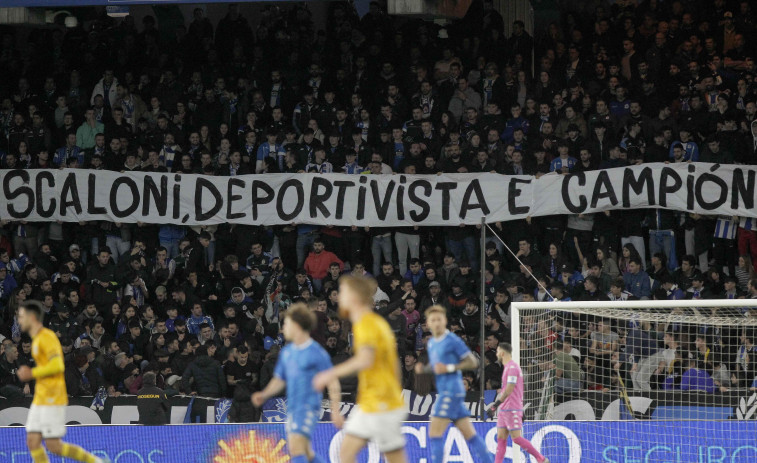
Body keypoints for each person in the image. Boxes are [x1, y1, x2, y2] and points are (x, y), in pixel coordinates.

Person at [312, 275, 407, 463]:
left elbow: (365, 359)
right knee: (349, 454)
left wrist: (330, 373)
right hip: (379, 401)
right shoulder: (371, 322)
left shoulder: (366, 322)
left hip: (380, 403)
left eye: (344, 292)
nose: (340, 297)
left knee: (348, 454)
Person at [15, 300, 108, 463]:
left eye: (22, 317)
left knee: (53, 445)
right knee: (34, 441)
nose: (19, 320)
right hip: (43, 396)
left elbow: (57, 365)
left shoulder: (47, 338)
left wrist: (32, 372)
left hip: (52, 397)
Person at [252, 303, 342, 463]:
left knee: (296, 449)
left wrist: (335, 409)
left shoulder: (316, 352)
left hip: (308, 406)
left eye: (286, 324)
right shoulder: (287, 352)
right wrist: (264, 394)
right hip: (293, 406)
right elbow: (280, 379)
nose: (283, 328)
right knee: (305, 451)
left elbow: (333, 381)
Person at [414, 305, 492, 463]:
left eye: (439, 319)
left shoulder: (451, 340)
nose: (436, 323)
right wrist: (425, 369)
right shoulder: (432, 343)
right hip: (448, 392)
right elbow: (438, 367)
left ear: (444, 321)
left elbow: (472, 361)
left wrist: (450, 367)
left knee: (435, 433)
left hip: (452, 391)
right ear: (428, 323)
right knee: (470, 435)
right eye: (432, 320)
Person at [488, 342, 549, 463]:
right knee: (501, 438)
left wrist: (495, 405)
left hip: (511, 408)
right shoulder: (507, 368)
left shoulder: (512, 368)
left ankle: (540, 458)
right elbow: (517, 389)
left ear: (502, 353)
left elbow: (510, 389)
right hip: (505, 408)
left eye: (497, 351)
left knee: (516, 438)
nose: (496, 354)